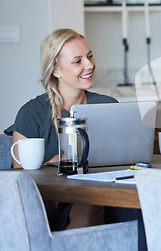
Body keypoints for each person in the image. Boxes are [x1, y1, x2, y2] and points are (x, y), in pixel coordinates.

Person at [4, 29, 117, 230]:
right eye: (77, 61)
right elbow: (18, 181)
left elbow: (122, 159)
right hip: (47, 204)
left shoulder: (108, 106)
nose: (90, 64)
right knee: (88, 207)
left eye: (89, 56)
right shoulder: (31, 113)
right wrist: (54, 165)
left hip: (101, 197)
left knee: (92, 203)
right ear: (56, 70)